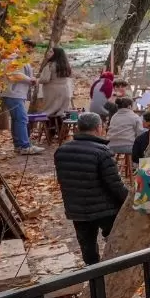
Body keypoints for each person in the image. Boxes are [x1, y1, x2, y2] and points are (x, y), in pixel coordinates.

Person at [53, 113, 128, 264]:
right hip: (105, 209)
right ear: (98, 128)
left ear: (79, 127)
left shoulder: (61, 151)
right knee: (116, 241)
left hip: (76, 209)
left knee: (87, 247)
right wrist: (129, 200)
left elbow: (63, 181)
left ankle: (94, 275)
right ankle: (115, 268)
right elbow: (115, 185)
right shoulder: (102, 152)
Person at [0, 38, 42, 155]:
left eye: (31, 47)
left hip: (18, 93)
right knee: (21, 118)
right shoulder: (14, 57)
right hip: (13, 93)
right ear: (21, 46)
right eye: (27, 46)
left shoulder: (22, 58)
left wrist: (31, 78)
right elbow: (13, 74)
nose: (30, 49)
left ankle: (19, 145)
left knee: (17, 119)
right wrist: (30, 79)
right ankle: (24, 146)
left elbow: (22, 73)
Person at [38, 47, 75, 119]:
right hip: (65, 91)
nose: (48, 53)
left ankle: (51, 126)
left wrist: (37, 80)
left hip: (52, 92)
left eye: (51, 52)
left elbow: (45, 79)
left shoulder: (50, 65)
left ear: (56, 54)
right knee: (61, 112)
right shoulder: (66, 65)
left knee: (50, 112)